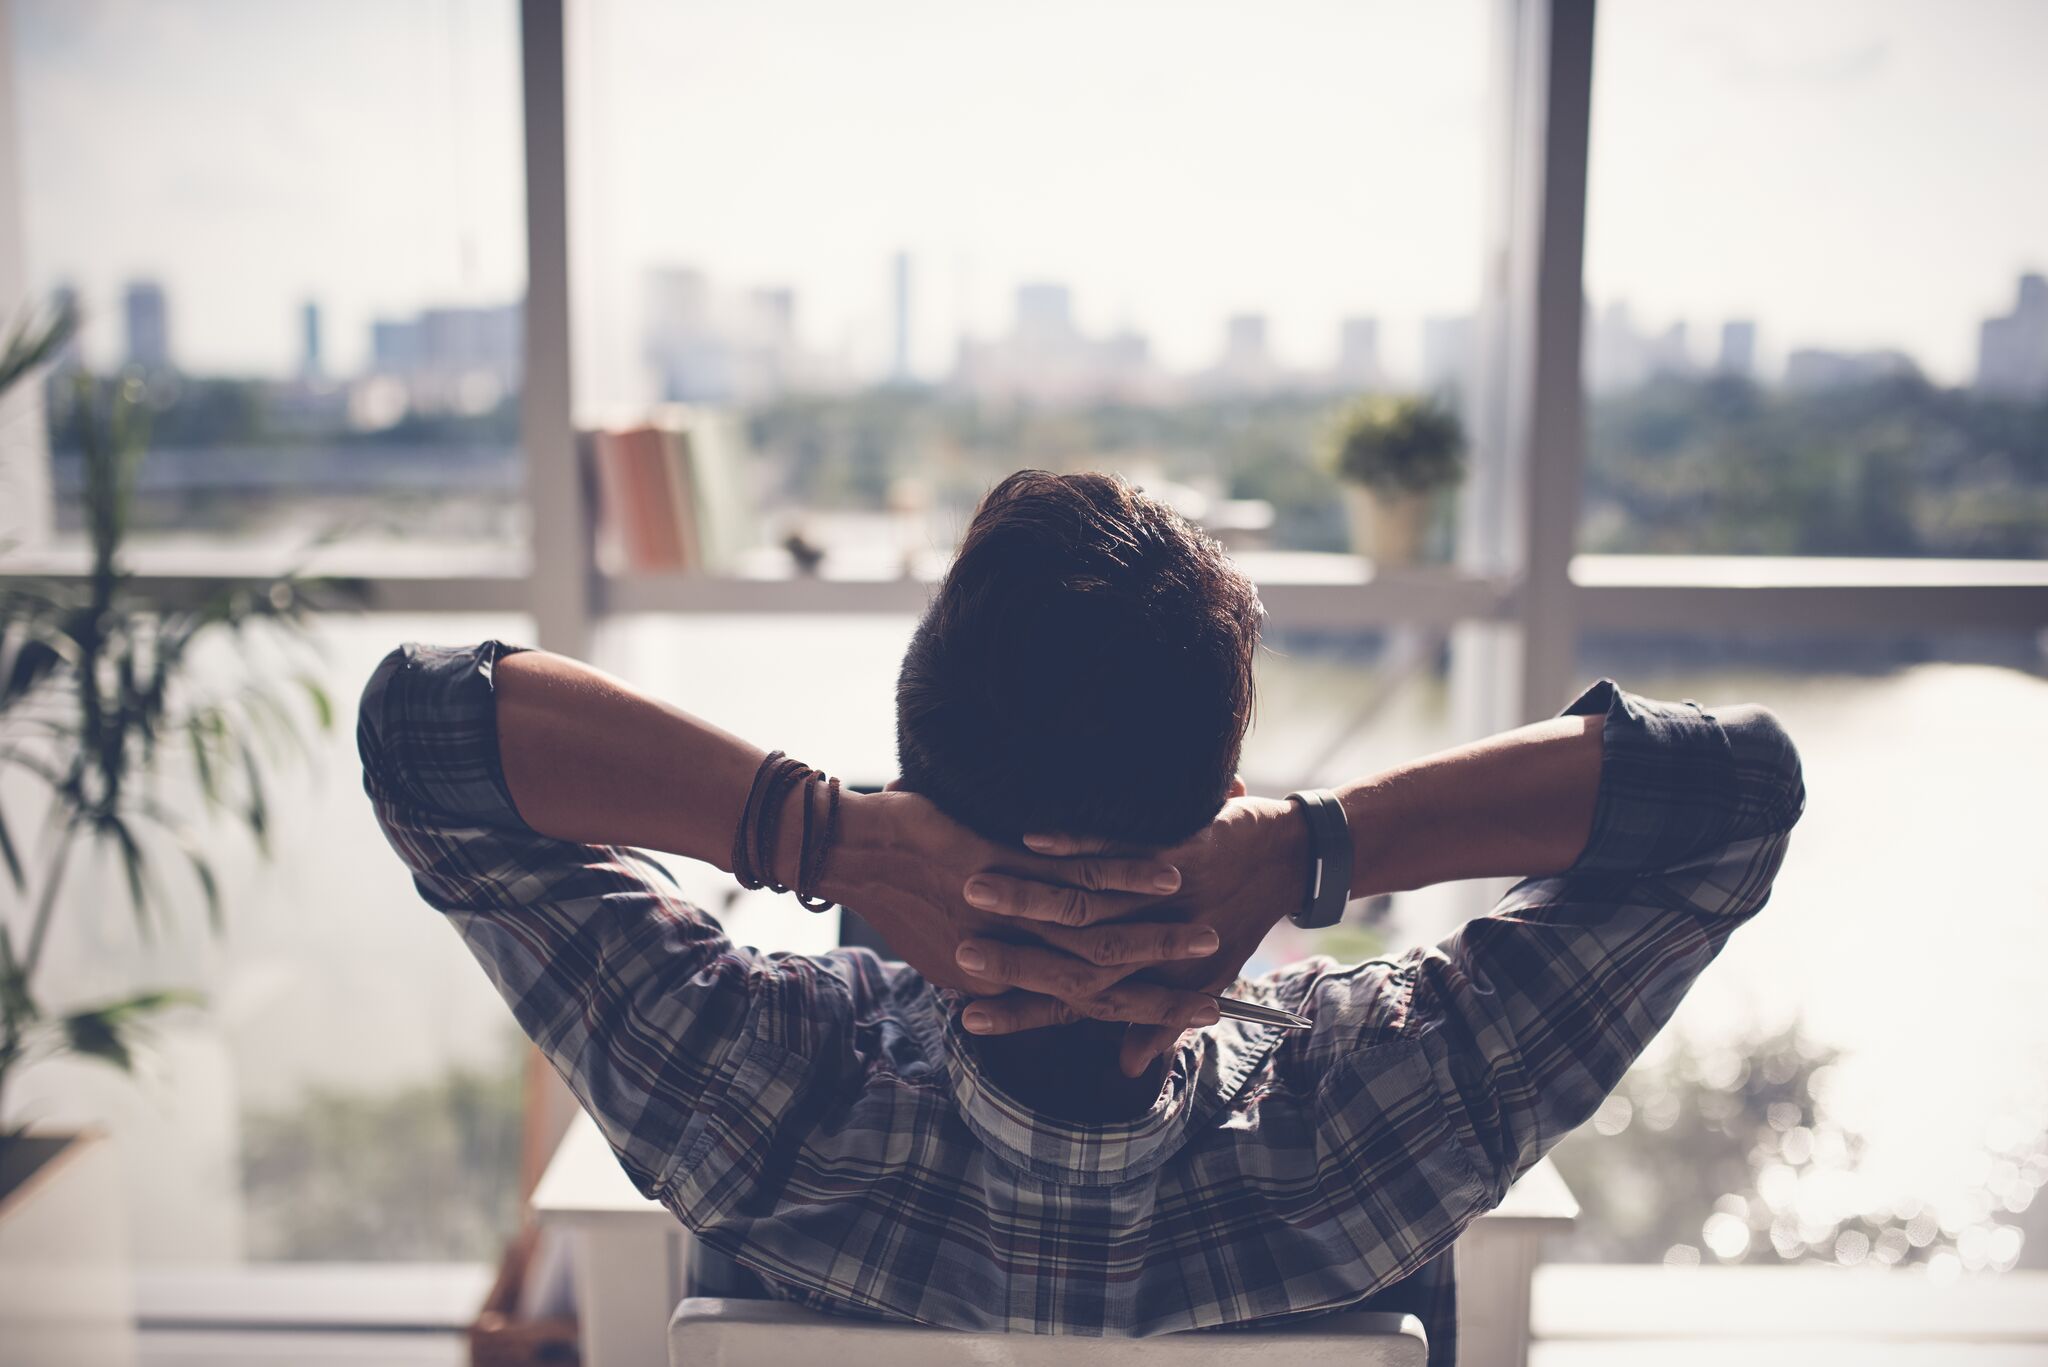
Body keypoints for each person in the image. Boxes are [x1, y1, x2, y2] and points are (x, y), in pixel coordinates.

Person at [359, 470, 1804, 1366]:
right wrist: (1312, 849)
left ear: (920, 778)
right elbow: (1736, 792)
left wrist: (830, 836)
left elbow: (425, 731)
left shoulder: (752, 1094)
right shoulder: (1383, 1117)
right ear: (1222, 796)